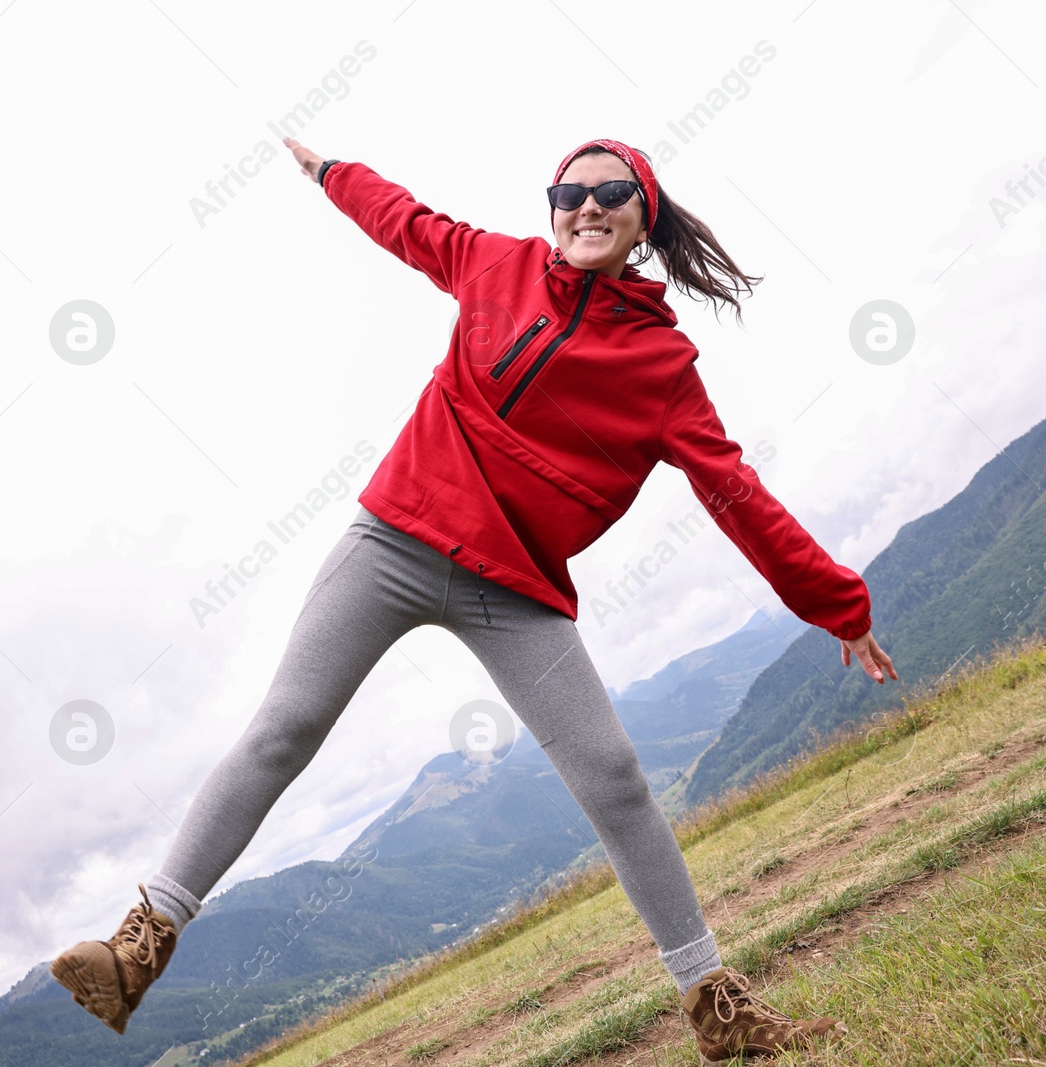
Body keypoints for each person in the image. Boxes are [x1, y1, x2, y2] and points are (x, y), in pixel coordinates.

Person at [51, 136, 898, 1061]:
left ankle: (716, 1003)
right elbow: (407, 223)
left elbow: (735, 493)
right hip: (394, 537)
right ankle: (139, 943)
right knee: (283, 725)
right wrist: (331, 172)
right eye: (567, 192)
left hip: (513, 585)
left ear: (640, 215)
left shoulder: (660, 364)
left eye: (610, 192)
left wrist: (837, 604)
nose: (586, 206)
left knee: (612, 774)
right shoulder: (496, 264)